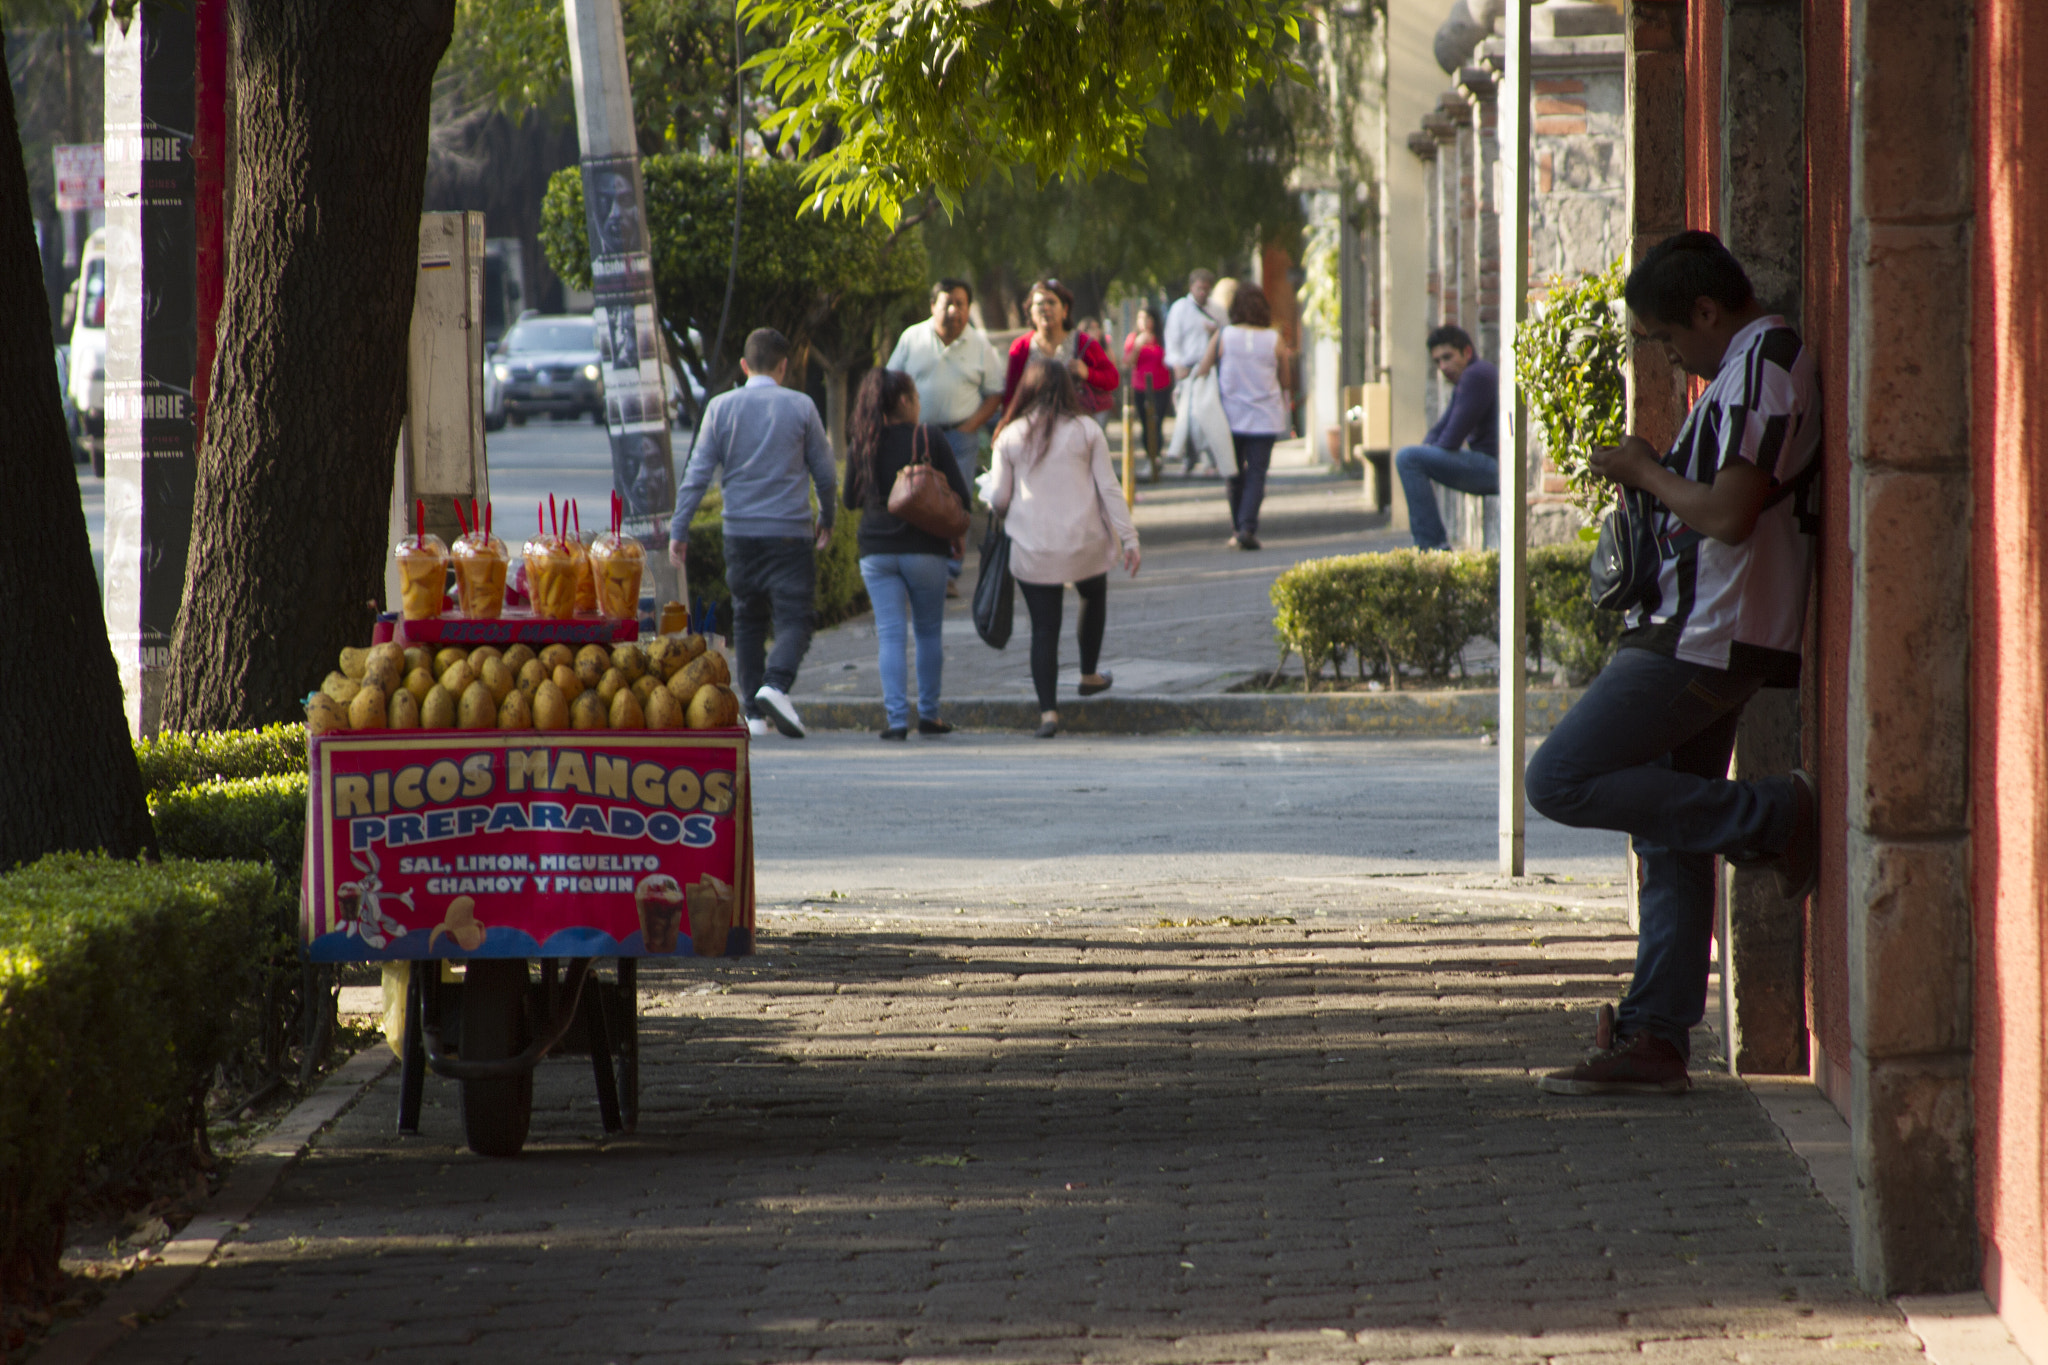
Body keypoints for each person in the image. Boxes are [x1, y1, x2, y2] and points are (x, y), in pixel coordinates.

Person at [1525, 231, 1821, 1097]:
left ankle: (1773, 815)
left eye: (1666, 338)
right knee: (1667, 825)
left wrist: (1648, 470)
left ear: (1705, 310)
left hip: (1705, 632)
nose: (1670, 357)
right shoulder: (1740, 370)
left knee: (1561, 778)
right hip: (1698, 624)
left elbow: (1729, 516)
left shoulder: (1765, 361)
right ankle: (1656, 1033)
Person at [667, 327, 836, 740]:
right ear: (785, 366)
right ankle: (775, 685)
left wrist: (680, 527)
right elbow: (826, 474)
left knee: (748, 615)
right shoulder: (801, 406)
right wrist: (827, 516)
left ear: (743, 366)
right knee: (796, 616)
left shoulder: (721, 409)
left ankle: (754, 716)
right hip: (789, 533)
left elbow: (697, 475)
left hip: (738, 534)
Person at [988, 358, 1141, 739]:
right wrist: (1129, 537)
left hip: (1033, 549)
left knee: (1044, 628)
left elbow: (999, 500)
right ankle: (1089, 673)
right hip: (1085, 545)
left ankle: (1049, 715)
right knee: (1093, 594)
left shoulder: (1009, 436)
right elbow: (1109, 488)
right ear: (1069, 390)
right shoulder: (1087, 430)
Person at [840, 369, 971, 741]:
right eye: (915, 397)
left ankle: (897, 721)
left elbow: (850, 500)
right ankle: (929, 715)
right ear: (903, 401)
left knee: (891, 636)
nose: (919, 404)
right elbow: (961, 496)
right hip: (925, 549)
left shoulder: (862, 442)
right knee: (929, 633)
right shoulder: (929, 437)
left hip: (876, 553)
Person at [884, 279, 1006, 596]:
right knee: (916, 498)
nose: (954, 310)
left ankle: (949, 573)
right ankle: (916, 567)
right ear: (932, 305)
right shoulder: (912, 338)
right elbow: (889, 382)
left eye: (961, 304)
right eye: (947, 303)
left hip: (959, 438)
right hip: (916, 437)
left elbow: (995, 393)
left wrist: (971, 425)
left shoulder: (979, 344)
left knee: (955, 503)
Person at [1194, 282, 1293, 551]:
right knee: (1257, 473)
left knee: (1234, 473)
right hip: (1265, 417)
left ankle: (1239, 529)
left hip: (1229, 418)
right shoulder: (1274, 339)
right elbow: (1285, 380)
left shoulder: (1224, 336)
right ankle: (1247, 528)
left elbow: (1203, 369)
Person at [1394, 325, 1499, 551]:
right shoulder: (1468, 378)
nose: (1443, 367)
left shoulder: (1477, 375)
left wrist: (1428, 458)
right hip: (1488, 466)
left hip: (1497, 471)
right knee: (1412, 458)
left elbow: (1450, 439)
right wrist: (1429, 454)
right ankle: (1431, 545)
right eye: (1438, 362)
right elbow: (1439, 430)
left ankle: (1431, 546)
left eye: (1448, 357)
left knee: (1407, 458)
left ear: (1467, 352)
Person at [1000, 279, 1119, 419]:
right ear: (1031, 311)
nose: (1045, 308)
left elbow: (1113, 380)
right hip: (1033, 430)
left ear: (1065, 309)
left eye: (1051, 302)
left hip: (1075, 428)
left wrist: (1088, 373)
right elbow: (1011, 395)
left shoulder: (1083, 343)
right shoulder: (1021, 347)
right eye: (1039, 304)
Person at [1164, 269, 1228, 476]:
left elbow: (1228, 336)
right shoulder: (1180, 309)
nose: (1202, 293)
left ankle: (1211, 457)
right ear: (1192, 287)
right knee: (1189, 415)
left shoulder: (1217, 310)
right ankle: (1190, 456)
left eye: (1206, 290)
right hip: (1188, 369)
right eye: (1199, 288)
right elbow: (1172, 342)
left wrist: (1216, 332)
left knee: (1209, 414)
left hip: (1210, 370)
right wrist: (1177, 365)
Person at [1122, 307, 1172, 479]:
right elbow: (1127, 363)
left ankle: (1156, 456)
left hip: (1161, 385)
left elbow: (1170, 359)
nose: (1144, 322)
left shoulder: (1162, 338)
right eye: (1141, 318)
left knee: (1157, 421)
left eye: (1148, 318)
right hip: (1140, 387)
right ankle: (1150, 457)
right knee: (1145, 422)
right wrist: (1138, 345)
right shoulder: (1133, 339)